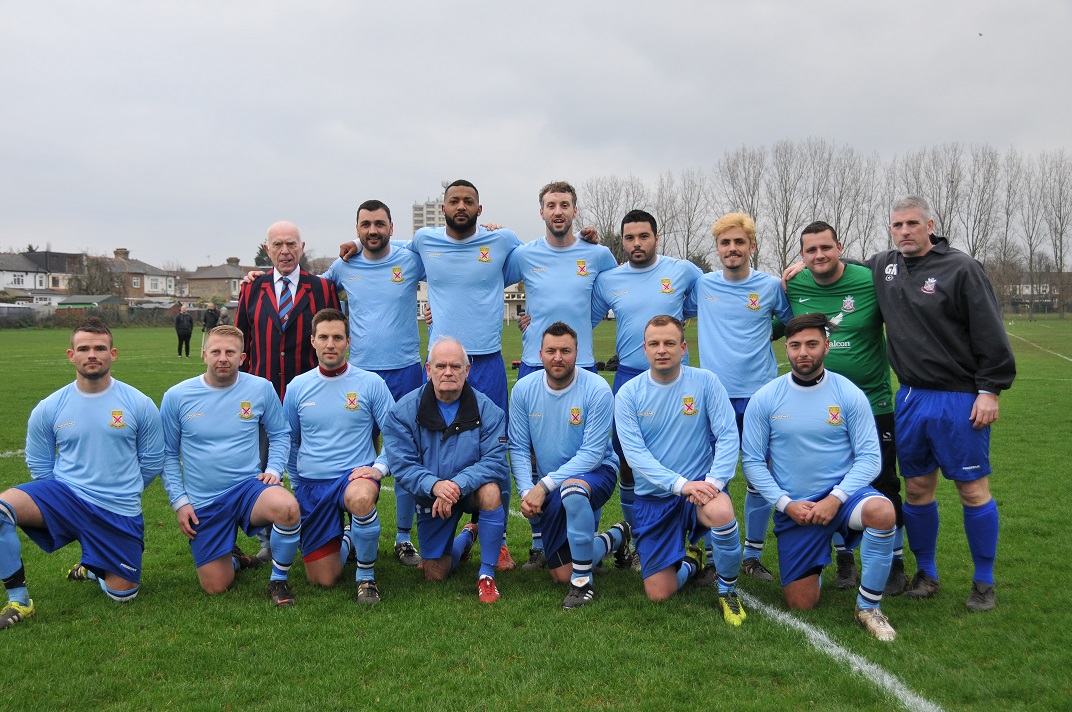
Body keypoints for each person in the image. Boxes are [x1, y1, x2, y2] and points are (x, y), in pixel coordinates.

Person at [865, 196, 1015, 611]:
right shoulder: (884, 265)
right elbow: (840, 268)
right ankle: (927, 573)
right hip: (911, 396)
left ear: (930, 225)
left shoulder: (961, 268)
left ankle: (983, 581)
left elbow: (989, 331)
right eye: (897, 225)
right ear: (890, 229)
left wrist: (990, 390)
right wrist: (802, 266)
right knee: (916, 489)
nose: (904, 231)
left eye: (912, 223)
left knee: (972, 489)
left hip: (958, 398)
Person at [742, 313, 897, 641]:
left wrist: (836, 498)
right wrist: (785, 504)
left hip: (845, 498)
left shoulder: (848, 393)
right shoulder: (765, 398)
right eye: (795, 345)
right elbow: (753, 463)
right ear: (786, 349)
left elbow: (870, 459)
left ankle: (869, 607)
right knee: (801, 604)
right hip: (797, 508)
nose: (803, 352)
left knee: (882, 512)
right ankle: (816, 560)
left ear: (826, 346)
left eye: (812, 344)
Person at [2, 318, 163, 629]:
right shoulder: (49, 407)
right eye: (84, 348)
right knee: (1, 510)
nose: (92, 354)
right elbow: (40, 463)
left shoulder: (139, 403)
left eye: (100, 348)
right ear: (71, 355)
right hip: (67, 498)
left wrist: (123, 490)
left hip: (118, 509)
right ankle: (19, 601)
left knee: (123, 595)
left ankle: (92, 567)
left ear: (112, 354)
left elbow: (152, 460)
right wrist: (62, 502)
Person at [786, 221, 908, 595]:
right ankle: (844, 560)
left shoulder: (869, 279)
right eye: (811, 250)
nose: (819, 255)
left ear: (840, 248)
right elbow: (777, 325)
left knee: (884, 481)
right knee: (828, 479)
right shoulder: (794, 285)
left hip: (873, 402)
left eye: (826, 247)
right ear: (802, 255)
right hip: (818, 404)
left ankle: (895, 563)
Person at [505, 181, 618, 571]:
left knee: (585, 452)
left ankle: (587, 536)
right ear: (541, 212)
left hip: (580, 363)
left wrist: (579, 328)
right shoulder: (524, 254)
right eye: (550, 205)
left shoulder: (598, 253)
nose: (557, 211)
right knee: (535, 451)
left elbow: (612, 294)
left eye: (564, 205)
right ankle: (540, 544)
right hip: (534, 363)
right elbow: (483, 279)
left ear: (574, 210)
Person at [614, 315, 746, 624]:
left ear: (683, 348)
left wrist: (714, 482)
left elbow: (728, 435)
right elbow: (635, 456)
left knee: (721, 511)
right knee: (659, 593)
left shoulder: (705, 382)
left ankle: (728, 592)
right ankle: (691, 562)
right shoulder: (629, 394)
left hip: (699, 492)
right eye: (654, 344)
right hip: (655, 498)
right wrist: (680, 484)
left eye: (669, 343)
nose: (662, 350)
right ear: (645, 349)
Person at [685, 212, 793, 584]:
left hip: (761, 396)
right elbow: (672, 307)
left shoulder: (770, 286)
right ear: (717, 248)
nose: (732, 248)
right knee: (714, 477)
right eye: (725, 243)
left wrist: (769, 330)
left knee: (759, 474)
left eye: (739, 242)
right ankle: (713, 555)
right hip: (714, 398)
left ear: (752, 246)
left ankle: (752, 555)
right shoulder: (703, 285)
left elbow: (789, 320)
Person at [160, 326, 301, 606]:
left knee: (287, 508)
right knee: (216, 586)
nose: (222, 358)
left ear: (242, 357)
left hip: (248, 489)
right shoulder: (177, 396)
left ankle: (278, 580)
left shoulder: (260, 388)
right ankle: (235, 560)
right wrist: (180, 502)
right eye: (216, 352)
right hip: (204, 500)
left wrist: (273, 470)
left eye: (230, 352)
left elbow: (280, 433)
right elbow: (167, 454)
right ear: (204, 355)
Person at [321, 200, 426, 568]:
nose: (372, 230)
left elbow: (446, 258)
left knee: (408, 452)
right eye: (365, 225)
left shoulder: (410, 260)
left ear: (391, 228)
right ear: (357, 228)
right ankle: (354, 528)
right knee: (358, 452)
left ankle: (403, 537)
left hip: (406, 371)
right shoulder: (343, 266)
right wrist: (260, 276)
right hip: (360, 375)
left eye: (379, 223)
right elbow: (311, 288)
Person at [591, 210, 702, 556]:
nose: (636, 243)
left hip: (677, 380)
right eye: (629, 238)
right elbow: (582, 319)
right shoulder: (609, 279)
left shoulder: (682, 270)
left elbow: (715, 294)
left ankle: (693, 540)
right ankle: (639, 541)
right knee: (628, 462)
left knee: (682, 456)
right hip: (629, 379)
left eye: (643, 236)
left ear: (657, 237)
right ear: (622, 241)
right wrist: (534, 320)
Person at [236, 220, 339, 562]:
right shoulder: (252, 288)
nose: (285, 251)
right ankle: (268, 540)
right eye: (278, 244)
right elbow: (240, 343)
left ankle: (321, 533)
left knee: (315, 467)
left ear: (302, 247)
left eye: (291, 244)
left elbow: (333, 339)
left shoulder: (322, 288)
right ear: (267, 249)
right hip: (263, 397)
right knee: (265, 468)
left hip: (310, 397)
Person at [509, 322, 629, 608]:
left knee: (573, 491)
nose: (558, 357)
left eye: (565, 351)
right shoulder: (524, 389)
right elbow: (518, 447)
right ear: (540, 354)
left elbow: (592, 454)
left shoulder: (597, 389)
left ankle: (583, 583)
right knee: (560, 573)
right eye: (551, 351)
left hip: (596, 472)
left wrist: (543, 486)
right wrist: (527, 491)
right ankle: (618, 537)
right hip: (551, 484)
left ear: (577, 353)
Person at [382, 336, 509, 604]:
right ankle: (468, 535)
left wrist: (457, 485)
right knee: (435, 573)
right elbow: (403, 464)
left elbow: (495, 462)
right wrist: (435, 485)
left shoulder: (490, 411)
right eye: (440, 366)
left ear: (467, 370)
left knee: (491, 491)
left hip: (470, 490)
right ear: (429, 370)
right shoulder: (403, 412)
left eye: (455, 366)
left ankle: (486, 574)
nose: (448, 372)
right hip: (432, 496)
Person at [282, 309, 395, 603]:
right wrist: (297, 483)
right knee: (323, 579)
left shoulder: (371, 383)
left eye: (337, 337)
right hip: (313, 484)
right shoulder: (297, 387)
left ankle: (366, 577)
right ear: (313, 341)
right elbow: (289, 441)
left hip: (354, 477)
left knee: (361, 498)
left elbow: (397, 435)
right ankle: (349, 536)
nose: (330, 344)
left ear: (348, 342)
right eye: (323, 337)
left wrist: (380, 468)